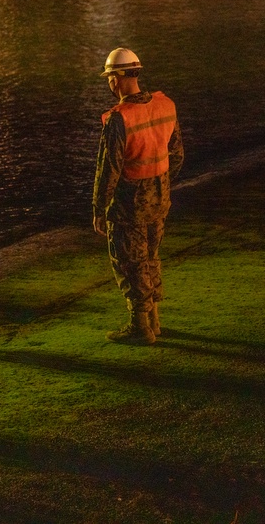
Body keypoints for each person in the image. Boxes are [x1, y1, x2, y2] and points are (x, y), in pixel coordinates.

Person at [93, 48, 184, 345]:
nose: (109, 83)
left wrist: (99, 207)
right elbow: (177, 155)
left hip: (128, 204)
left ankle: (140, 326)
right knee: (150, 257)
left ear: (117, 79)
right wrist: (161, 183)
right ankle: (155, 320)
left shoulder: (119, 119)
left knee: (129, 262)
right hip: (160, 198)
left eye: (109, 77)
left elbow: (109, 169)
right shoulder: (165, 105)